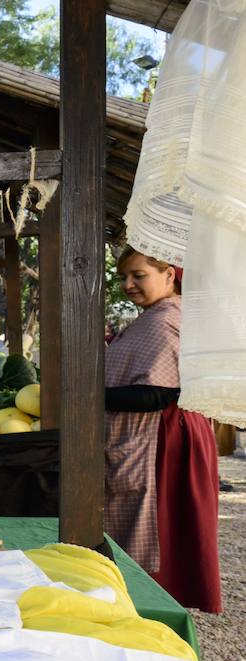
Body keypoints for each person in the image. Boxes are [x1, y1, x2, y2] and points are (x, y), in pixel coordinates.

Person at [104, 247, 221, 613]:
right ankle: (158, 603)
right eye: (124, 277)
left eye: (139, 276)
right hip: (168, 432)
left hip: (164, 437)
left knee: (162, 525)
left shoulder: (164, 319)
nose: (128, 285)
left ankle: (152, 605)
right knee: (169, 527)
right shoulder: (161, 314)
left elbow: (156, 394)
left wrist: (83, 393)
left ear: (169, 275)